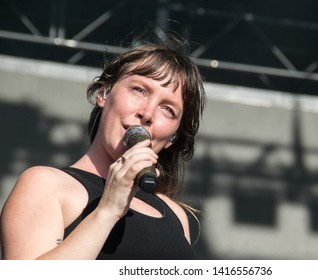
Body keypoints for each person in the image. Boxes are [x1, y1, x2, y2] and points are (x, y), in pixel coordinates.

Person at [0, 36, 206, 260]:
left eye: (168, 109)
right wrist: (107, 210)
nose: (147, 113)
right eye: (139, 90)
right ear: (103, 94)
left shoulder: (175, 214)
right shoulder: (46, 184)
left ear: (172, 138)